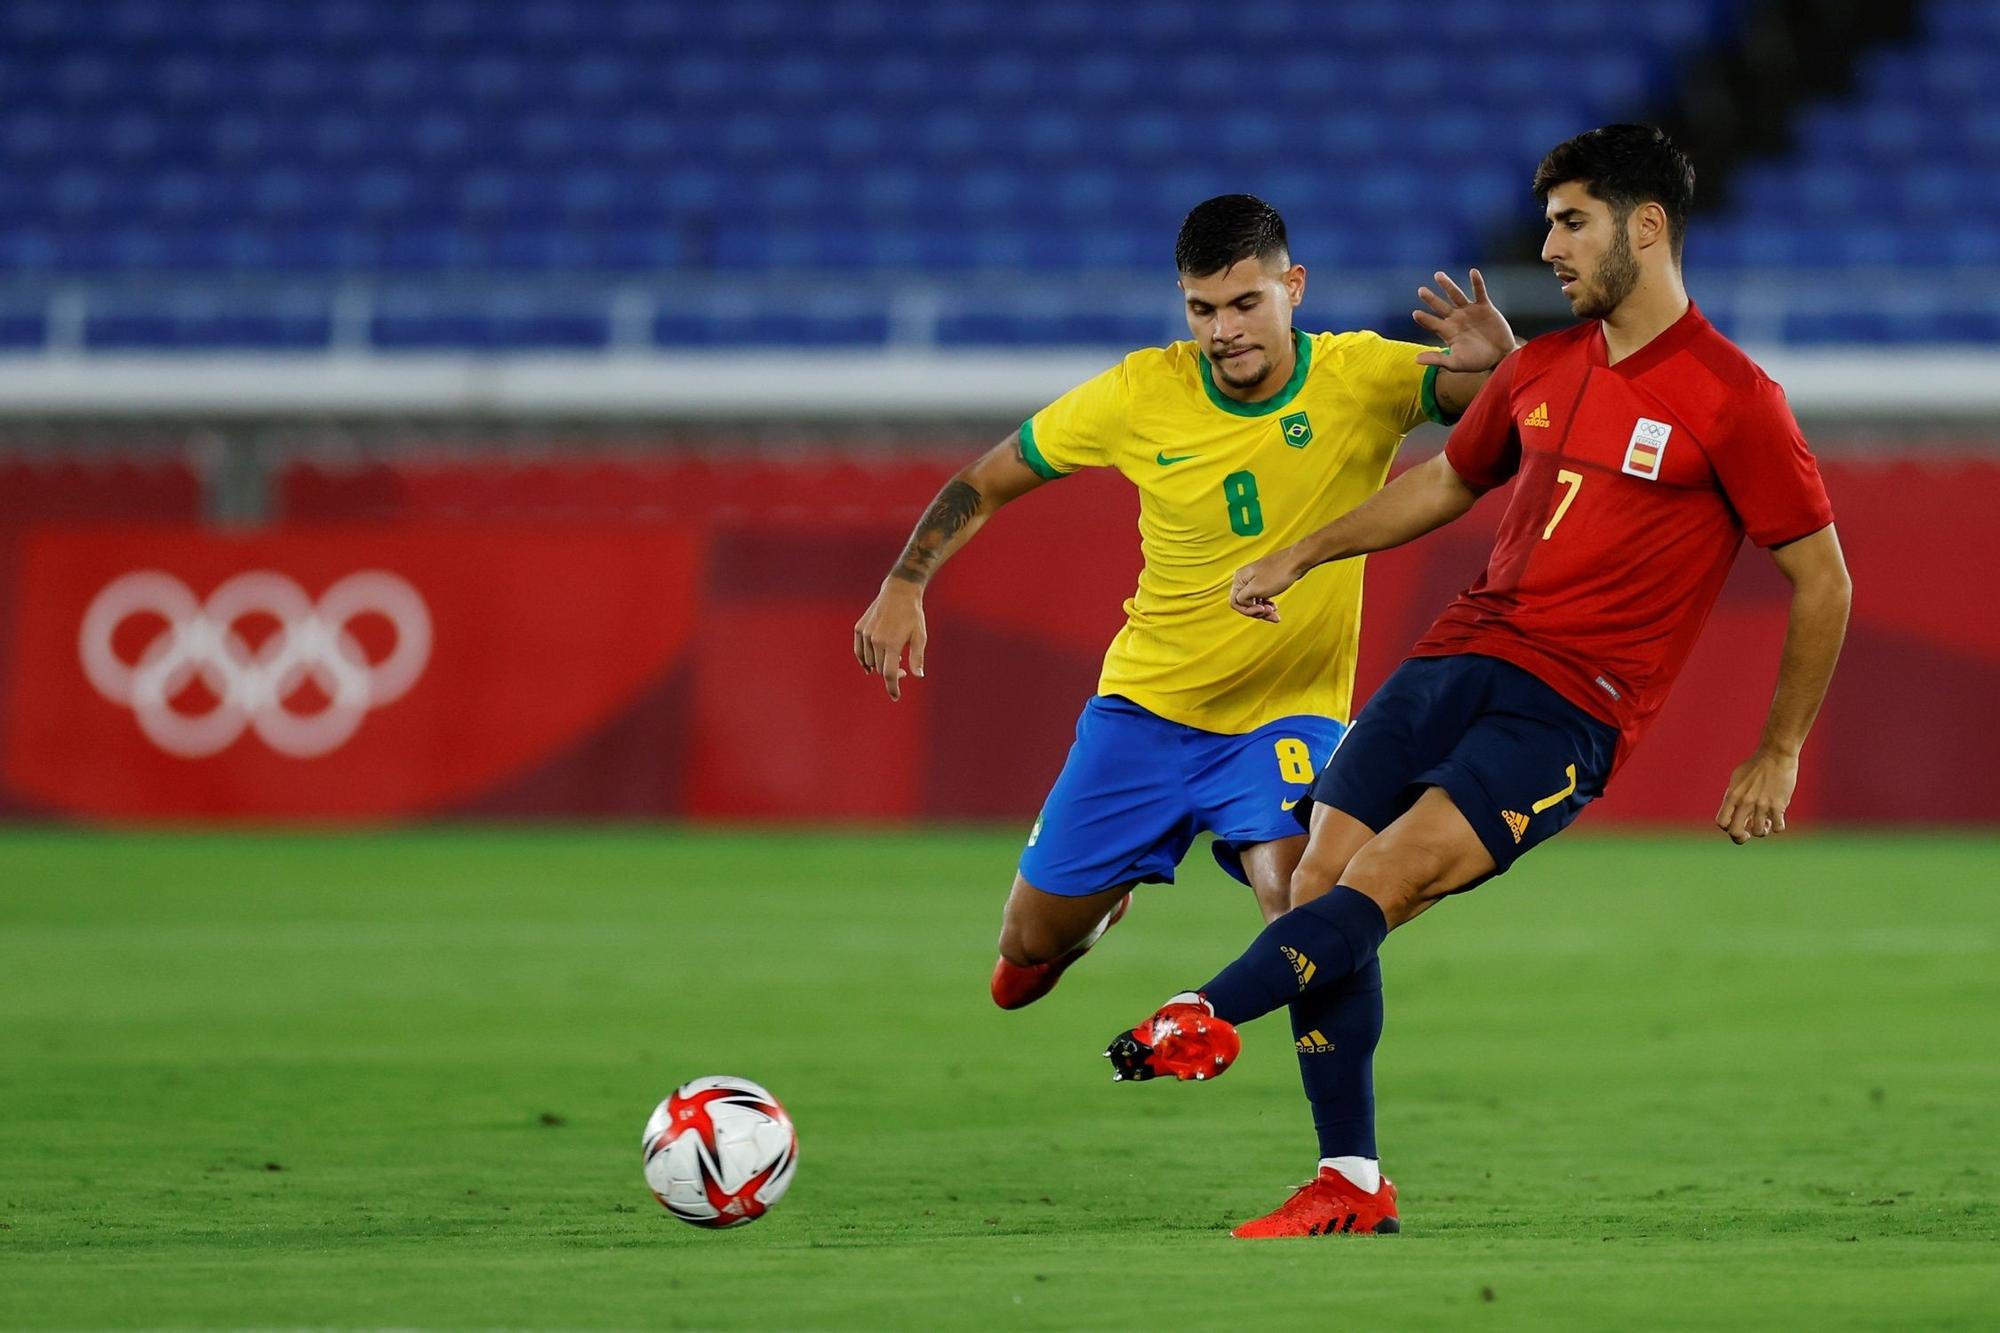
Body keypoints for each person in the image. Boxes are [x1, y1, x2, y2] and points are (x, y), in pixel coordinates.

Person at [1104, 126, 1852, 1240]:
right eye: (1547, 220)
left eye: (1570, 221)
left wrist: (1777, 748)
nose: (1546, 244)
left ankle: (1199, 1012)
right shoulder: (1542, 368)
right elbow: (1445, 485)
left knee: (1392, 877)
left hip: (1569, 704)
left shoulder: (1733, 398)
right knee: (1319, 877)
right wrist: (1304, 550)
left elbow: (1821, 580)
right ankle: (1349, 1183)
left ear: (1644, 228)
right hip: (1456, 655)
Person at [853, 194, 1516, 1011]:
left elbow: (1483, 411)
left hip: (1285, 716)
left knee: (1305, 907)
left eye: (1246, 303)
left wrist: (1497, 366)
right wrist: (904, 582)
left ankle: (1343, 1143)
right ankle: (1101, 905)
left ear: (1294, 288)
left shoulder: (1360, 375)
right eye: (1202, 309)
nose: (1223, 329)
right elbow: (987, 479)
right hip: (1145, 711)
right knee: (1022, 961)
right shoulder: (1142, 392)